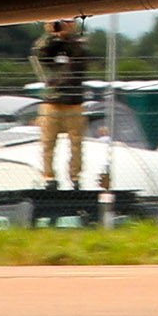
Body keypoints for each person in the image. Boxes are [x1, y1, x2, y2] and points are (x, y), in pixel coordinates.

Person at [32, 18, 89, 188]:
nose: (63, 25)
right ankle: (49, 177)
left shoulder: (78, 44)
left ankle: (75, 177)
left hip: (74, 102)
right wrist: (51, 35)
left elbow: (80, 57)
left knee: (76, 143)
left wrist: (67, 37)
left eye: (67, 22)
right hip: (52, 101)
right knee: (47, 142)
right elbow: (39, 54)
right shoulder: (49, 44)